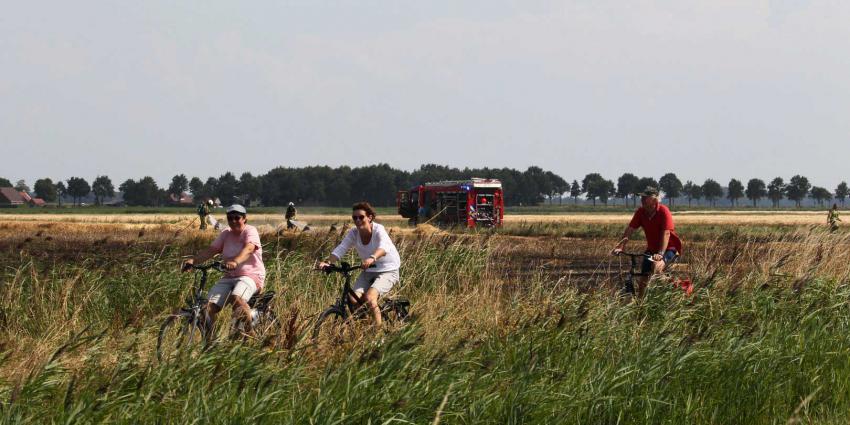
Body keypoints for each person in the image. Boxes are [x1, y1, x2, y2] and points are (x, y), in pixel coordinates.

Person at [183, 204, 266, 335]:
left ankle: (251, 335)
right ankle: (211, 344)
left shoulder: (250, 231)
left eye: (237, 218)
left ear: (244, 218)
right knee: (207, 307)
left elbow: (249, 249)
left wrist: (235, 261)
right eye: (230, 218)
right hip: (229, 277)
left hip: (251, 275)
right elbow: (212, 250)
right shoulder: (226, 233)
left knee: (236, 298)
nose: (233, 221)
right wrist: (193, 261)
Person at [317, 202, 401, 328]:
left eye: (361, 217)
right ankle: (366, 327)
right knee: (353, 299)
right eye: (354, 218)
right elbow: (342, 248)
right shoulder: (354, 233)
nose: (357, 220)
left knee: (370, 298)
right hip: (369, 271)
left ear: (369, 217)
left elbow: (384, 247)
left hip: (388, 269)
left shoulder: (378, 230)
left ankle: (378, 338)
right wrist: (328, 262)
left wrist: (372, 258)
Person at [611, 187, 683, 299]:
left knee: (656, 267)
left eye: (645, 197)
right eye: (642, 197)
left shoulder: (663, 211)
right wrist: (620, 247)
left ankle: (676, 289)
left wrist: (660, 253)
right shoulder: (641, 212)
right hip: (651, 251)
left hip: (669, 249)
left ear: (654, 200)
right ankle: (640, 305)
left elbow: (666, 234)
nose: (642, 199)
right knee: (643, 279)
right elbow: (630, 230)